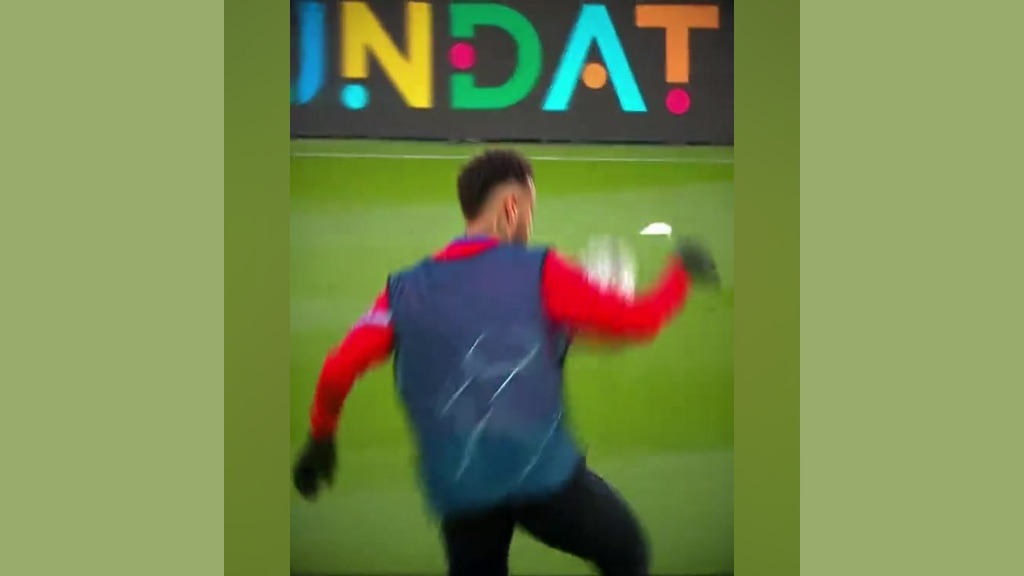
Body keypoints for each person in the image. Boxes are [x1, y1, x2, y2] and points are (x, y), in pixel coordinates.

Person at [292, 149, 720, 576]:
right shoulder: (542, 272)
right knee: (627, 551)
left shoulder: (406, 290)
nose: (530, 222)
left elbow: (340, 367)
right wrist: (679, 275)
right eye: (530, 209)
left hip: (461, 485)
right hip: (541, 479)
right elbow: (638, 321)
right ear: (511, 208)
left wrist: (321, 436)